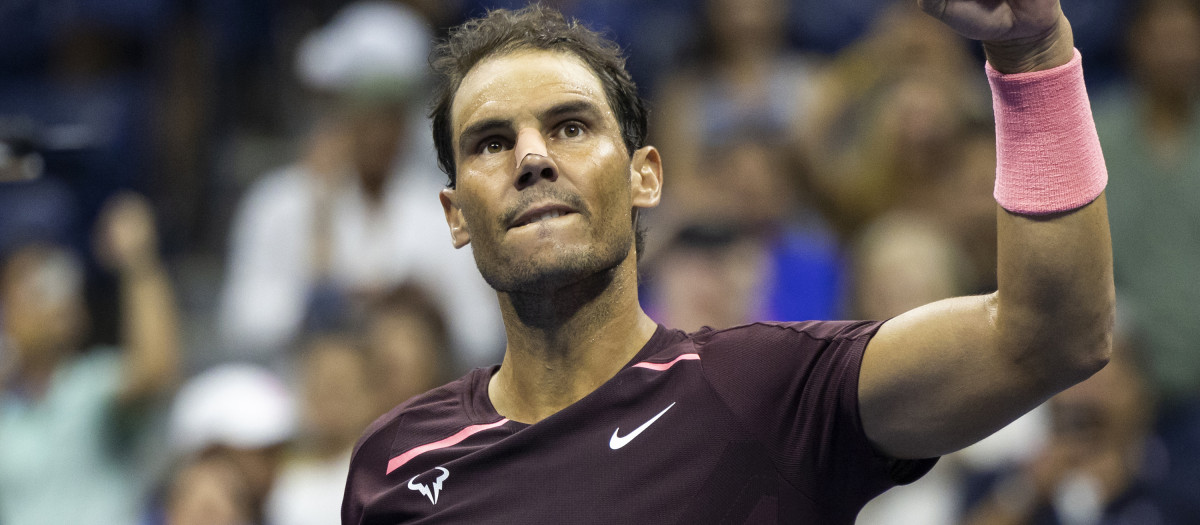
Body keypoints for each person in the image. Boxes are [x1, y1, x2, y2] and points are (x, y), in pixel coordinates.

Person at [342, 3, 1115, 523]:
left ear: (646, 175)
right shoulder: (394, 463)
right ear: (454, 214)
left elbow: (1054, 335)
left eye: (571, 126)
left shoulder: (768, 389)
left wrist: (1032, 53)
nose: (534, 158)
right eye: (491, 142)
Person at [0, 193, 181, 525]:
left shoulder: (91, 382)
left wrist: (139, 262)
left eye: (55, 280)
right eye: (28, 284)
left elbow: (156, 370)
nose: (47, 296)